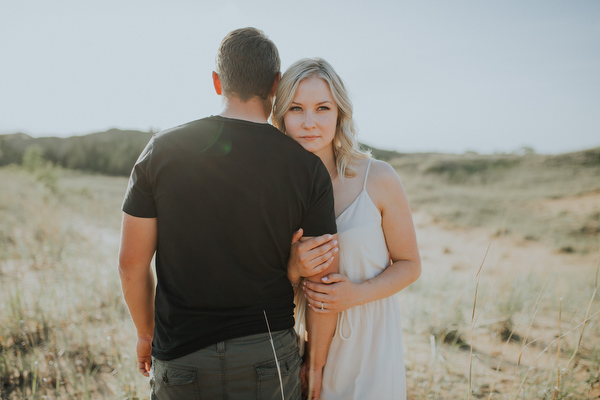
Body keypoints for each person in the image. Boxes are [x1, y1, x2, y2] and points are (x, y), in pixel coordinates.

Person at [118, 29, 339, 400]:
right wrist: (315, 363)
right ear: (276, 83)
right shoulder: (307, 168)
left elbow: (131, 265)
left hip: (182, 355)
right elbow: (323, 280)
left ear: (217, 82)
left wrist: (144, 332)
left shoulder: (162, 151)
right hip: (268, 356)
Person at [274, 57, 421, 400]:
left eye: (322, 108)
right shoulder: (273, 190)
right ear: (280, 116)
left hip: (370, 343)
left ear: (339, 113)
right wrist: (293, 269)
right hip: (301, 346)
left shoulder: (378, 177)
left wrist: (357, 293)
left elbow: (410, 265)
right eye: (296, 108)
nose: (310, 122)